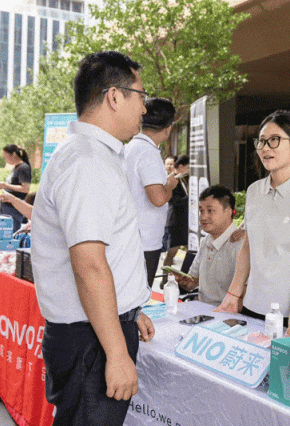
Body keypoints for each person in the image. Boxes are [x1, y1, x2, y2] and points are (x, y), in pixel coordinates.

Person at [31, 51, 155, 426]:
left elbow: (108, 252)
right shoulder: (88, 162)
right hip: (93, 342)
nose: (145, 108)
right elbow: (89, 266)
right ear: (115, 96)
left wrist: (129, 309)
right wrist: (116, 352)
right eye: (141, 96)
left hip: (97, 330)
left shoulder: (93, 155)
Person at [215, 110, 290, 335]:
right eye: (262, 141)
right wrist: (234, 294)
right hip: (252, 305)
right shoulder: (254, 191)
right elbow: (247, 247)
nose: (265, 148)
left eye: (274, 140)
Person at [124, 98, 179, 286]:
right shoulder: (148, 152)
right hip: (144, 241)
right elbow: (158, 198)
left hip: (129, 237)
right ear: (168, 129)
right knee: (138, 296)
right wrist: (170, 185)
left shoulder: (129, 148)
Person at [175, 185, 243, 305]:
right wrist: (186, 282)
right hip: (202, 309)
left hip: (227, 312)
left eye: (210, 211)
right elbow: (193, 281)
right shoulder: (206, 241)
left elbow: (245, 294)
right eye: (201, 211)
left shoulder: (240, 244)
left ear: (228, 212)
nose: (203, 217)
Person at [0, 145, 32, 233]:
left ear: (13, 155)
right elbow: (13, 186)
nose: (5, 159)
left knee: (9, 233)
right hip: (7, 205)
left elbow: (25, 188)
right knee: (3, 232)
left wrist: (5, 185)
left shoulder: (23, 168)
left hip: (13, 207)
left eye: (5, 157)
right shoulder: (16, 167)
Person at [161, 154, 190, 281]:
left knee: (192, 250)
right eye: (188, 167)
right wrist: (190, 199)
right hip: (175, 221)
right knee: (172, 253)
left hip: (186, 221)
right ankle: (164, 279)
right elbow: (174, 200)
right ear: (182, 166)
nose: (190, 170)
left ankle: (187, 278)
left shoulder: (185, 179)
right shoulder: (171, 180)